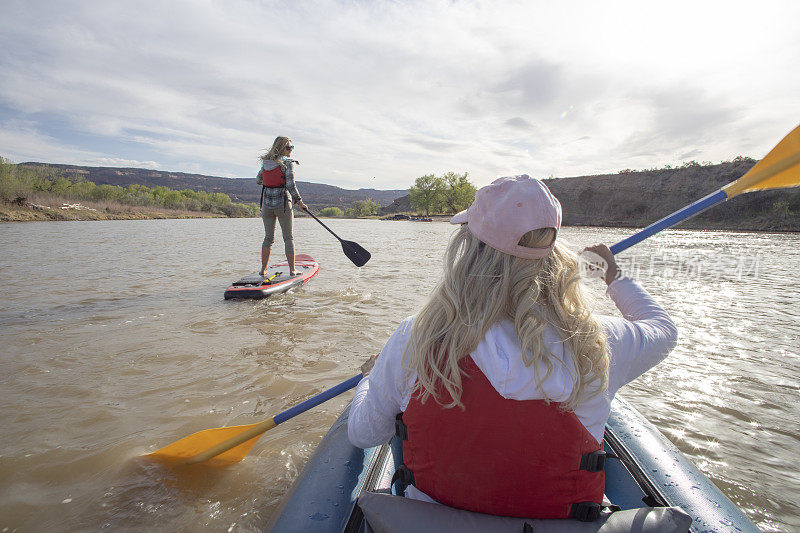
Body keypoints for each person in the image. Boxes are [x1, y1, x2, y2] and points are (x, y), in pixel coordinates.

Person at [347, 175, 678, 520]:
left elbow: (364, 433)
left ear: (470, 250)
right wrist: (612, 274)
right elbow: (663, 330)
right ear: (551, 248)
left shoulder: (416, 336)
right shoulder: (598, 342)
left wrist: (370, 379)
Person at [258, 136, 307, 276]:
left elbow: (258, 180)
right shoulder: (287, 163)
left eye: (292, 147)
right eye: (288, 147)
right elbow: (291, 186)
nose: (291, 150)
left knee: (268, 238)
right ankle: (292, 270)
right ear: (281, 148)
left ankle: (263, 269)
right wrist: (300, 202)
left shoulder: (266, 163)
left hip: (267, 205)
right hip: (283, 205)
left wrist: (271, 185)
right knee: (288, 237)